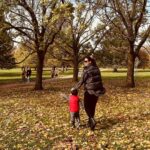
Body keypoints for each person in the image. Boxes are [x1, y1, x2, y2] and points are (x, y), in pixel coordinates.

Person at [72, 56, 105, 130]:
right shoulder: (96, 68)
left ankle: (91, 119)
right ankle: (91, 124)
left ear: (90, 61)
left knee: (87, 107)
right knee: (92, 107)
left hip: (89, 91)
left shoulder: (87, 70)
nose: (84, 63)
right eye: (84, 61)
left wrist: (74, 89)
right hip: (97, 91)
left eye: (86, 61)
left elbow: (81, 81)